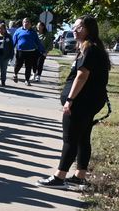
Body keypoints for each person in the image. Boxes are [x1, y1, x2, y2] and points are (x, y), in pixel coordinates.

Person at [40, 17, 110, 188]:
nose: (74, 29)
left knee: (70, 139)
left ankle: (59, 177)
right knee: (82, 139)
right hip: (89, 102)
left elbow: (82, 75)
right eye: (74, 26)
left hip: (81, 102)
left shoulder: (90, 50)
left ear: (87, 29)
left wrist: (70, 99)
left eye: (78, 27)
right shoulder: (90, 48)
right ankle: (79, 177)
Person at [12, 17, 43, 85]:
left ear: (30, 24)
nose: (26, 23)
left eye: (27, 22)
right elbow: (14, 41)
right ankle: (15, 74)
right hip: (20, 51)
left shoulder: (33, 32)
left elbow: (37, 42)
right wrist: (11, 49)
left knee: (28, 67)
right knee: (18, 65)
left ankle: (27, 80)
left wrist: (42, 50)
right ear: (22, 23)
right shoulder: (18, 31)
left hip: (30, 52)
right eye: (24, 22)